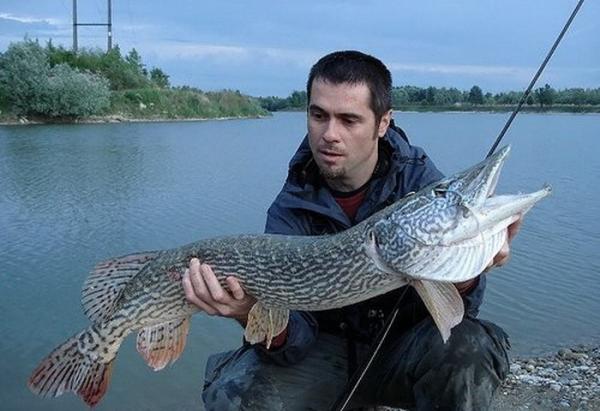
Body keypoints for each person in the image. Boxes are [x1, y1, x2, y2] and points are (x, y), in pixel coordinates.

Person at [182, 50, 519, 411]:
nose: (330, 134)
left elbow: (458, 314)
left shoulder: (422, 188)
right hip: (324, 355)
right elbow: (293, 341)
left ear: (383, 123)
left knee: (467, 350)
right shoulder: (289, 209)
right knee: (234, 396)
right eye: (318, 116)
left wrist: (468, 270)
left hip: (402, 352)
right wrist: (247, 310)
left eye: (349, 120)